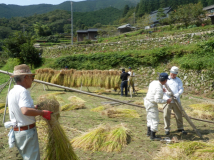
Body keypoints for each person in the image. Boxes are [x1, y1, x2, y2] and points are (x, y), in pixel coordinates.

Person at [8, 64, 52, 160]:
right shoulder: (23, 91)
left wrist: (34, 107)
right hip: (27, 132)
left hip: (18, 132)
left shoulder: (12, 91)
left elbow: (19, 108)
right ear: (26, 77)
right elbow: (25, 111)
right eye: (32, 77)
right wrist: (43, 113)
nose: (33, 79)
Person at [144, 73, 172, 141]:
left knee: (149, 117)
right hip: (152, 104)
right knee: (155, 119)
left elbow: (153, 90)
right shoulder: (159, 88)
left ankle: (149, 132)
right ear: (165, 80)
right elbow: (157, 100)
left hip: (146, 101)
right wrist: (166, 101)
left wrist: (162, 91)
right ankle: (153, 136)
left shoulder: (153, 82)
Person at [163, 66, 187, 135]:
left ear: (176, 74)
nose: (172, 75)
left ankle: (180, 128)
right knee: (166, 115)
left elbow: (181, 88)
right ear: (170, 72)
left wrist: (177, 94)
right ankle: (167, 129)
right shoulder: (165, 79)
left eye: (174, 74)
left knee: (178, 114)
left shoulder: (178, 80)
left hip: (176, 100)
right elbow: (163, 88)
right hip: (167, 99)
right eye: (171, 74)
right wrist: (167, 93)